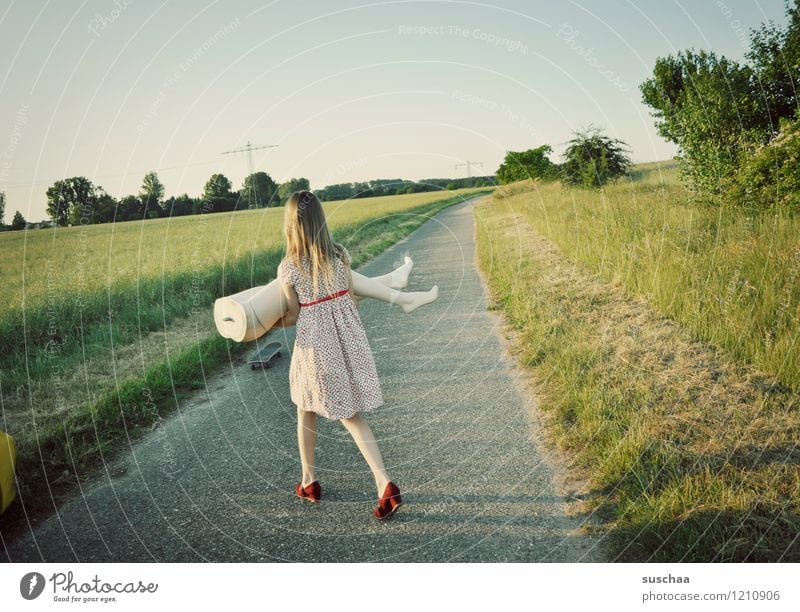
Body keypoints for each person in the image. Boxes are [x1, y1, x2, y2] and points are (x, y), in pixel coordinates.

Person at [276, 190, 405, 519]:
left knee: (314, 408)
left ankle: (360, 480)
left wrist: (267, 323)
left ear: (291, 225)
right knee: (334, 411)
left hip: (316, 350)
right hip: (349, 342)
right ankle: (331, 480)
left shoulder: (289, 268)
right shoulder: (339, 256)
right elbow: (350, 296)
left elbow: (292, 316)